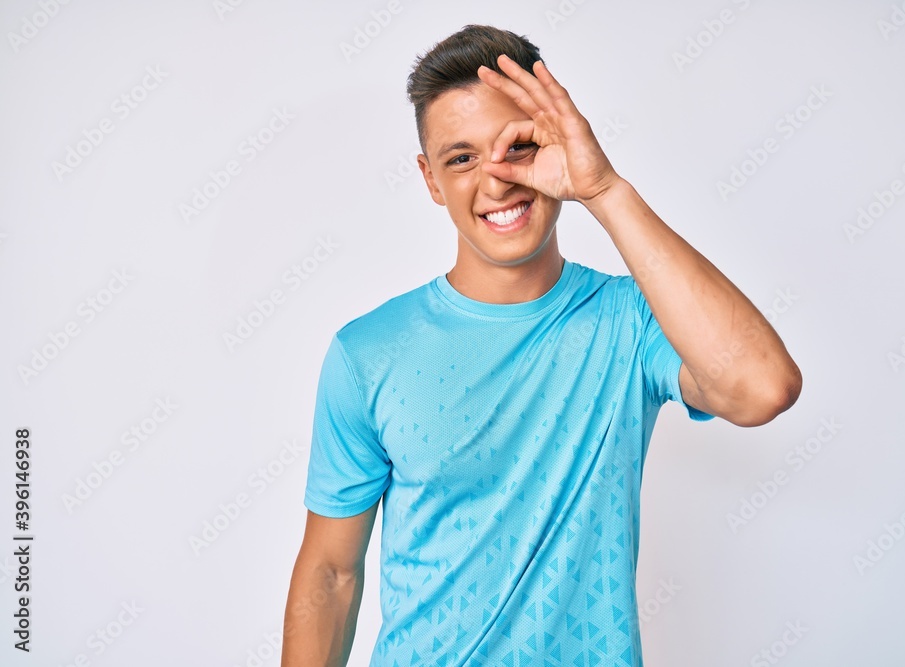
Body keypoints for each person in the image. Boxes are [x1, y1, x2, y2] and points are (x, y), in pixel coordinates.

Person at [281, 24, 802, 667]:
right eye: (462, 158)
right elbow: (332, 573)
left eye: (518, 146)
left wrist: (604, 190)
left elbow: (762, 387)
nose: (497, 180)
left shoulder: (631, 321)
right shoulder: (368, 353)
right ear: (430, 179)